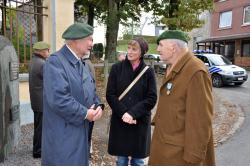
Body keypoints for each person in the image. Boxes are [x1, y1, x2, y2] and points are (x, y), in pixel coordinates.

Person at [148, 30, 215, 166]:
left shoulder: (195, 71)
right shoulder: (173, 67)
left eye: (160, 45)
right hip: (166, 148)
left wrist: (193, 158)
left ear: (173, 47)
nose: (158, 49)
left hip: (179, 156)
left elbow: (200, 121)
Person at [42, 23, 103, 166]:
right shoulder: (55, 62)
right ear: (75, 40)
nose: (91, 44)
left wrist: (98, 106)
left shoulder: (81, 63)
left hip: (80, 132)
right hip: (63, 135)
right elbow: (59, 99)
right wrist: (85, 113)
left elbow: (91, 90)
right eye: (89, 39)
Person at [106, 37, 157, 166]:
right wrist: (124, 113)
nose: (130, 51)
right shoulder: (116, 69)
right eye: (129, 48)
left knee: (138, 161)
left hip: (139, 122)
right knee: (121, 160)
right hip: (120, 120)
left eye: (134, 49)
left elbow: (151, 98)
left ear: (142, 52)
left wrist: (133, 113)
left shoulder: (148, 72)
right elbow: (110, 94)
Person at [28, 41, 50, 158]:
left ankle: (37, 148)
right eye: (47, 50)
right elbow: (50, 81)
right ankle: (38, 151)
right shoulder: (42, 64)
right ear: (41, 51)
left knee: (38, 126)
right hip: (41, 101)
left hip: (35, 100)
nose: (48, 52)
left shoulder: (33, 61)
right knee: (40, 128)